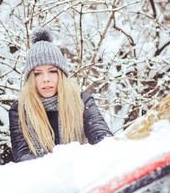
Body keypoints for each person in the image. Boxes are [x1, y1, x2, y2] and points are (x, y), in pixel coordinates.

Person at [9, 27, 113, 162]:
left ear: (61, 74)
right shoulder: (20, 110)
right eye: (38, 73)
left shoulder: (82, 101)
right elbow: (24, 157)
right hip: (43, 179)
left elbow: (101, 136)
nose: (45, 78)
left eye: (52, 71)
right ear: (30, 78)